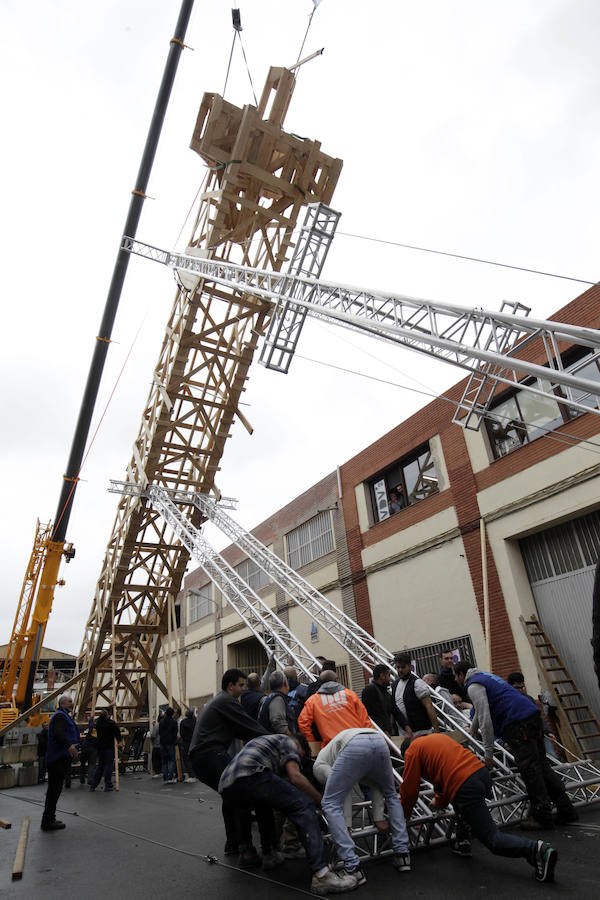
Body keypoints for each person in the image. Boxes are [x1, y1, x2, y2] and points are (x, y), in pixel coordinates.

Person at [400, 734, 558, 883]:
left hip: (465, 784)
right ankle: (463, 842)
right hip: (480, 773)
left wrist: (404, 815)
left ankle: (536, 850)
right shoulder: (435, 739)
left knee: (493, 839)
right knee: (463, 805)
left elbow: (410, 790)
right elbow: (444, 779)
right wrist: (439, 802)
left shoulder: (412, 751)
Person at [218, 732, 358, 895]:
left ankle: (269, 855)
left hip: (227, 786)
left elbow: (278, 791)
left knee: (264, 806)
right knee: (305, 806)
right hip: (251, 774)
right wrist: (320, 801)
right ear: (299, 748)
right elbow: (295, 777)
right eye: (300, 758)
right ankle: (322, 875)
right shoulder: (289, 742)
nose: (299, 761)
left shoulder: (266, 747)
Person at [454, 662, 578, 829]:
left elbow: (485, 718)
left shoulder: (473, 686)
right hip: (531, 717)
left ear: (462, 674)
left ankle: (542, 817)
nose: (455, 679)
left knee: (530, 770)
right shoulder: (487, 677)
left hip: (518, 723)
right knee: (542, 766)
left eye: (455, 676)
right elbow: (479, 712)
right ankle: (566, 810)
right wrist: (472, 730)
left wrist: (488, 754)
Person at [188, 668, 269, 866]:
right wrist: (274, 738)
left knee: (229, 794)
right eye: (240, 685)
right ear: (230, 685)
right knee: (239, 792)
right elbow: (249, 726)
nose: (243, 689)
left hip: (201, 757)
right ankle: (246, 850)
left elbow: (241, 731)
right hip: (210, 754)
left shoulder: (220, 702)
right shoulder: (226, 701)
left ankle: (232, 842)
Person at [320, 728, 411, 882]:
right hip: (379, 740)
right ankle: (403, 855)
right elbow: (375, 784)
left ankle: (352, 866)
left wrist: (346, 824)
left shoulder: (320, 761)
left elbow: (343, 790)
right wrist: (378, 816)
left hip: (353, 745)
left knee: (330, 802)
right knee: (390, 794)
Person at [298, 670, 372, 746]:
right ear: (337, 680)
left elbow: (303, 722)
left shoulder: (313, 701)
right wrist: (371, 737)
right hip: (357, 740)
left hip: (332, 746)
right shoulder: (350, 694)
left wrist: (312, 742)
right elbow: (364, 719)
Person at [41, 694, 80, 831]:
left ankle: (49, 818)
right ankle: (48, 820)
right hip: (57, 758)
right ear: (62, 704)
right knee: (54, 790)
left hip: (59, 757)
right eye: (69, 702)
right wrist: (70, 747)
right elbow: (58, 734)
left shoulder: (62, 716)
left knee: (55, 790)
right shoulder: (60, 716)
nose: (72, 704)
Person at [506, 672, 559, 759]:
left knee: (552, 757)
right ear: (510, 686)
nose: (520, 690)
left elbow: (539, 716)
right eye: (516, 688)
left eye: (522, 687)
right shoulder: (507, 702)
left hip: (539, 733)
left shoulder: (528, 698)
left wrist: (548, 731)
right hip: (525, 738)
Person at [392, 652, 439, 736]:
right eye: (398, 667)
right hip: (403, 734)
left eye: (403, 667)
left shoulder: (418, 683)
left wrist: (436, 730)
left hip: (421, 732)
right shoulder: (395, 684)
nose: (400, 670)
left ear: (410, 667)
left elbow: (429, 706)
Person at [89, 708, 121, 792]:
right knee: (108, 766)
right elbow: (117, 732)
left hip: (100, 748)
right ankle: (108, 784)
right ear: (107, 716)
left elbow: (93, 733)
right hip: (109, 747)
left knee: (100, 767)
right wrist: (119, 741)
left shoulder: (98, 724)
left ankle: (93, 785)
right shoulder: (111, 723)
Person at [258, 670, 295, 734]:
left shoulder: (271, 697)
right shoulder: (277, 699)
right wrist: (291, 738)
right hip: (277, 742)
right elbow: (277, 722)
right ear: (285, 684)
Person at [361, 664, 394, 734]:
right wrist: (385, 730)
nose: (390, 679)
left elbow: (394, 710)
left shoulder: (385, 692)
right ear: (382, 676)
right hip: (377, 734)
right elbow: (374, 715)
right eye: (388, 675)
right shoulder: (370, 690)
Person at [159, 706, 179, 783]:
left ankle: (165, 776)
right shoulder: (174, 722)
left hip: (162, 743)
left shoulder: (161, 722)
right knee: (172, 760)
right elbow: (175, 733)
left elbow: (160, 733)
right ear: (172, 714)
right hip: (170, 743)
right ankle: (170, 777)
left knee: (164, 761)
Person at [178, 708, 198, 783]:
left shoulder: (183, 722)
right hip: (194, 742)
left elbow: (182, 733)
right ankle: (195, 774)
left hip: (186, 742)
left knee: (186, 759)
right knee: (194, 758)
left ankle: (191, 775)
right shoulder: (195, 721)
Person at [79, 714, 98, 785]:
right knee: (92, 764)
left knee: (83, 764)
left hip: (85, 748)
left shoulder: (93, 729)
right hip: (93, 749)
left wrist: (91, 719)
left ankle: (82, 778)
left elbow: (91, 725)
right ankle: (90, 779)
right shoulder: (101, 731)